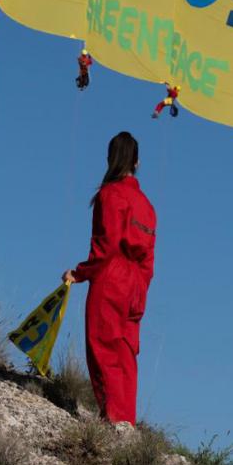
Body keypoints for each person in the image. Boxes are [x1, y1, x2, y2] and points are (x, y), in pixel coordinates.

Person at [62, 132, 156, 427]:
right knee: (126, 354)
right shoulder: (147, 206)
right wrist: (140, 292)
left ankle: (112, 420)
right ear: (137, 162)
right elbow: (149, 259)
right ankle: (126, 422)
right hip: (136, 284)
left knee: (102, 347)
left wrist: (79, 273)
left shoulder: (110, 194)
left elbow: (106, 245)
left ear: (109, 159)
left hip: (111, 277)